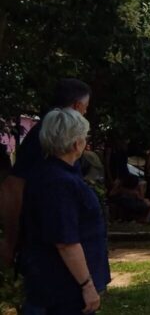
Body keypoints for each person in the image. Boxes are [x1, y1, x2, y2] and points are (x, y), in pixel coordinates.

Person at [18, 108, 109, 314]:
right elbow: (66, 241)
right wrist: (86, 284)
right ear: (76, 143)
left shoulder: (55, 173)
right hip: (62, 288)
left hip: (59, 284)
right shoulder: (58, 181)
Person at [0, 78, 91, 267]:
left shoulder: (64, 140)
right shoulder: (45, 135)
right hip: (48, 244)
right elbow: (13, 186)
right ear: (76, 106)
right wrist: (11, 239)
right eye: (85, 107)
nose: (86, 113)